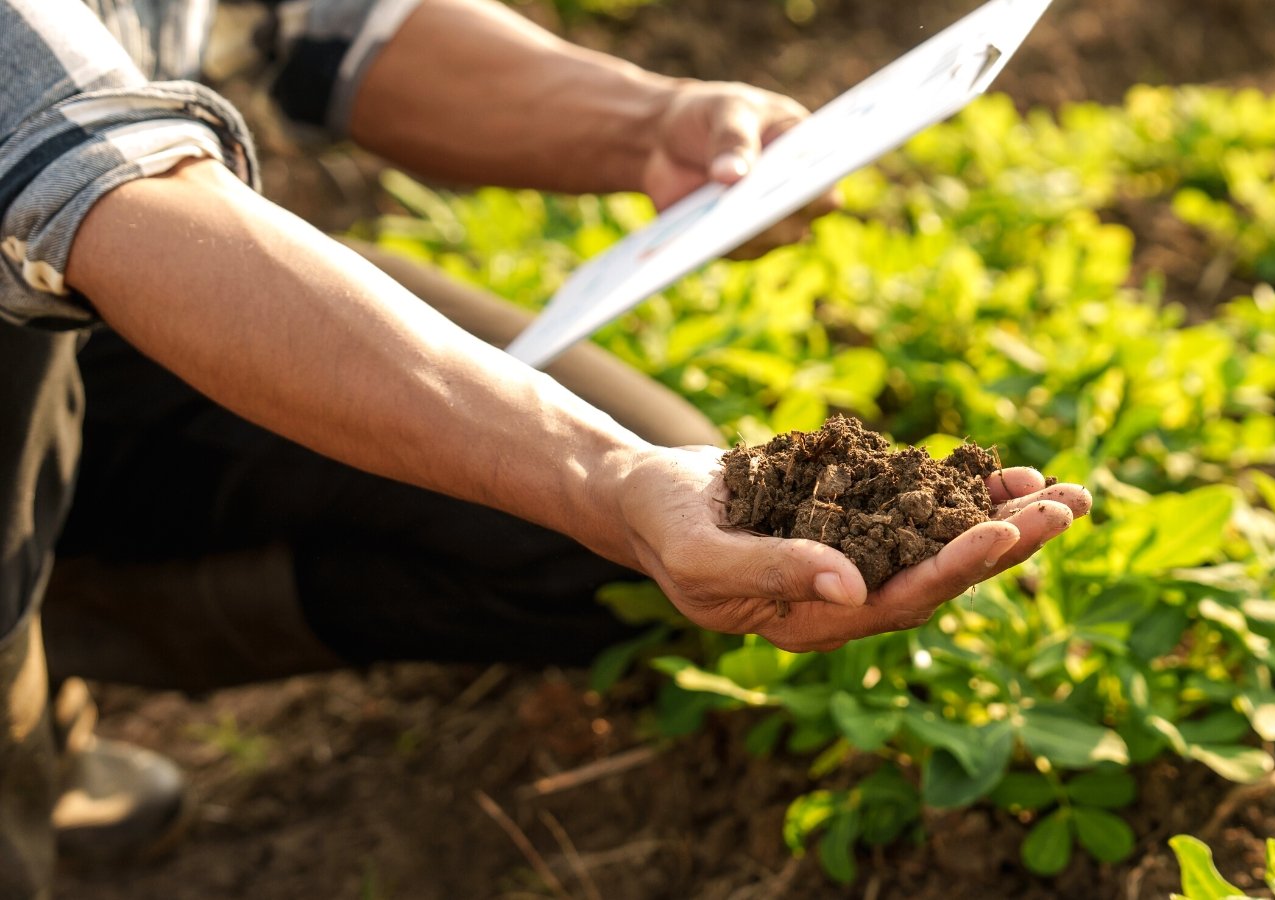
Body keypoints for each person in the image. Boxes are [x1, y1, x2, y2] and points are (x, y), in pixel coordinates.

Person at [0, 0, 1093, 893]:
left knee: (597, 537)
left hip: (93, 276)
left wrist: (653, 123)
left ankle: (58, 629)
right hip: (108, 243)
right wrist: (603, 477)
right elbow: (105, 189)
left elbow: (316, 23)